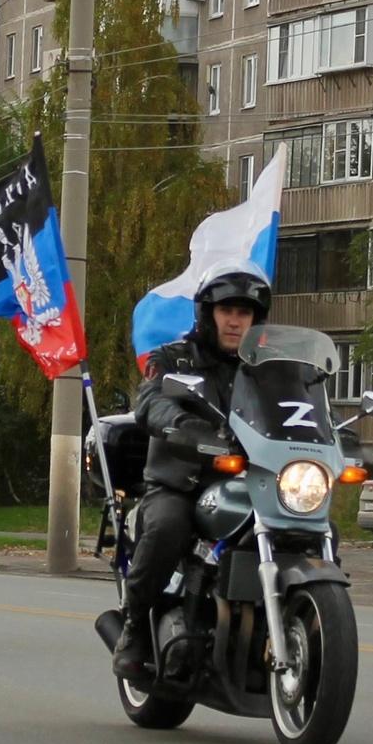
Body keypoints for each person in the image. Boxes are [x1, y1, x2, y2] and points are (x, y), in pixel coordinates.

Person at [114, 265, 270, 680]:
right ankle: (134, 625)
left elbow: (301, 409)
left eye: (245, 312)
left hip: (254, 483)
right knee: (167, 528)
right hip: (181, 483)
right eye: (227, 310)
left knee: (312, 527)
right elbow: (152, 401)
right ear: (208, 313)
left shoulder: (268, 369)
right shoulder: (175, 359)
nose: (236, 320)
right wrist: (181, 424)